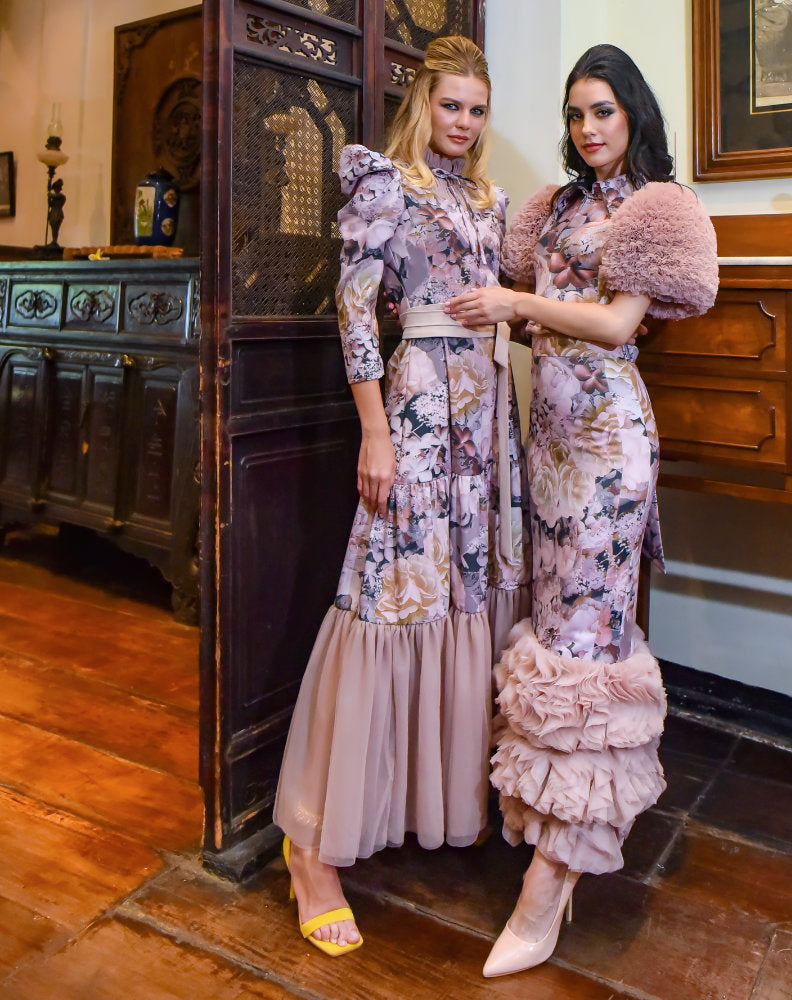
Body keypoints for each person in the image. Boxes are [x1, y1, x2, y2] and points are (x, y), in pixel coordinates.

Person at [446, 43, 719, 978]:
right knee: (554, 633)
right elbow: (545, 321)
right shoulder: (557, 207)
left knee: (590, 646)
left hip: (609, 448)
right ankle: (549, 830)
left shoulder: (653, 208)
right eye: (575, 113)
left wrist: (514, 301)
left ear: (633, 111)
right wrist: (506, 314)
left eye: (603, 109)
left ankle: (553, 879)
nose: (588, 127)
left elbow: (612, 324)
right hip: (551, 445)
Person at [272, 34, 529, 958]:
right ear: (422, 104)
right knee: (386, 598)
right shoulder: (386, 185)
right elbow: (353, 311)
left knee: (465, 600)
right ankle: (311, 850)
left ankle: (440, 803)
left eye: (477, 109)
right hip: (418, 407)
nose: (463, 122)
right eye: (450, 104)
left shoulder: (491, 200)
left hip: (488, 415)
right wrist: (375, 431)